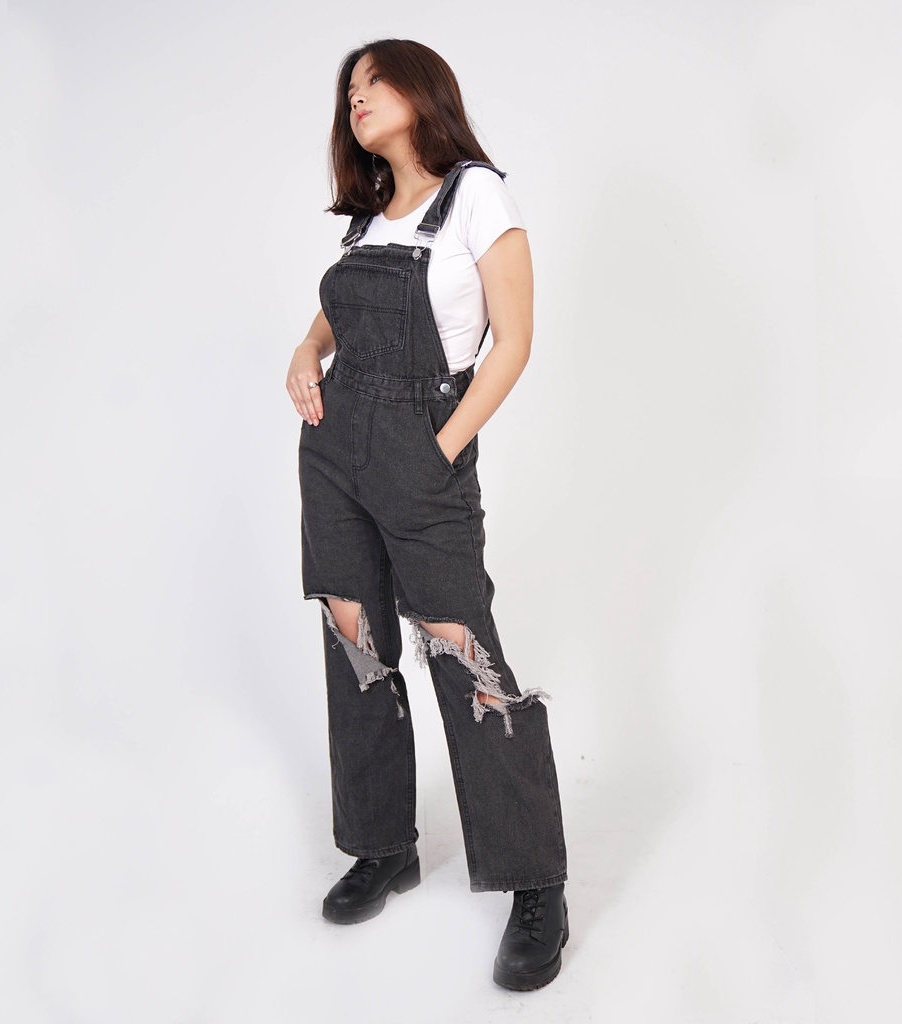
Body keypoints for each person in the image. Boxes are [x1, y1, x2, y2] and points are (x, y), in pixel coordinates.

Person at [286, 38, 569, 991]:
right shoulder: (372, 215)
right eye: (349, 91)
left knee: (460, 647)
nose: (357, 99)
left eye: (374, 81)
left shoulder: (477, 195)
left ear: (422, 88)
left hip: (422, 445)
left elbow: (513, 341)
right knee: (355, 638)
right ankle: (383, 846)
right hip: (334, 452)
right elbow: (337, 317)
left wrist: (439, 450)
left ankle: (537, 882)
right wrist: (305, 352)